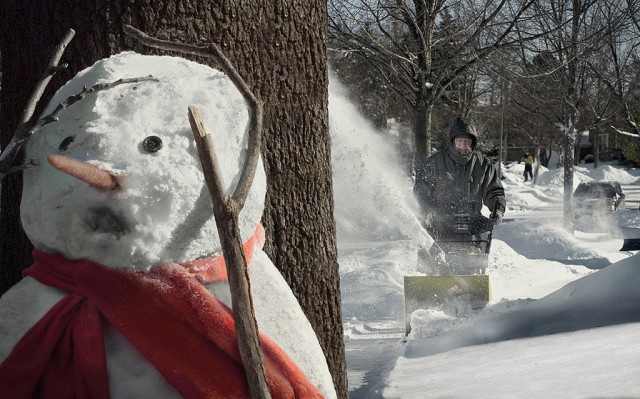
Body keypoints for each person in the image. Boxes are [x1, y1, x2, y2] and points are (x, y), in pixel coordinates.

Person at [414, 116, 506, 240]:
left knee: (484, 233)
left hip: (472, 224)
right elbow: (421, 192)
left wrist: (498, 210)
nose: (463, 145)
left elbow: (494, 191)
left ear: (473, 142)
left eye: (467, 141)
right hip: (441, 225)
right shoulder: (435, 163)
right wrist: (426, 212)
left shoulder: (483, 164)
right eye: (459, 141)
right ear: (452, 141)